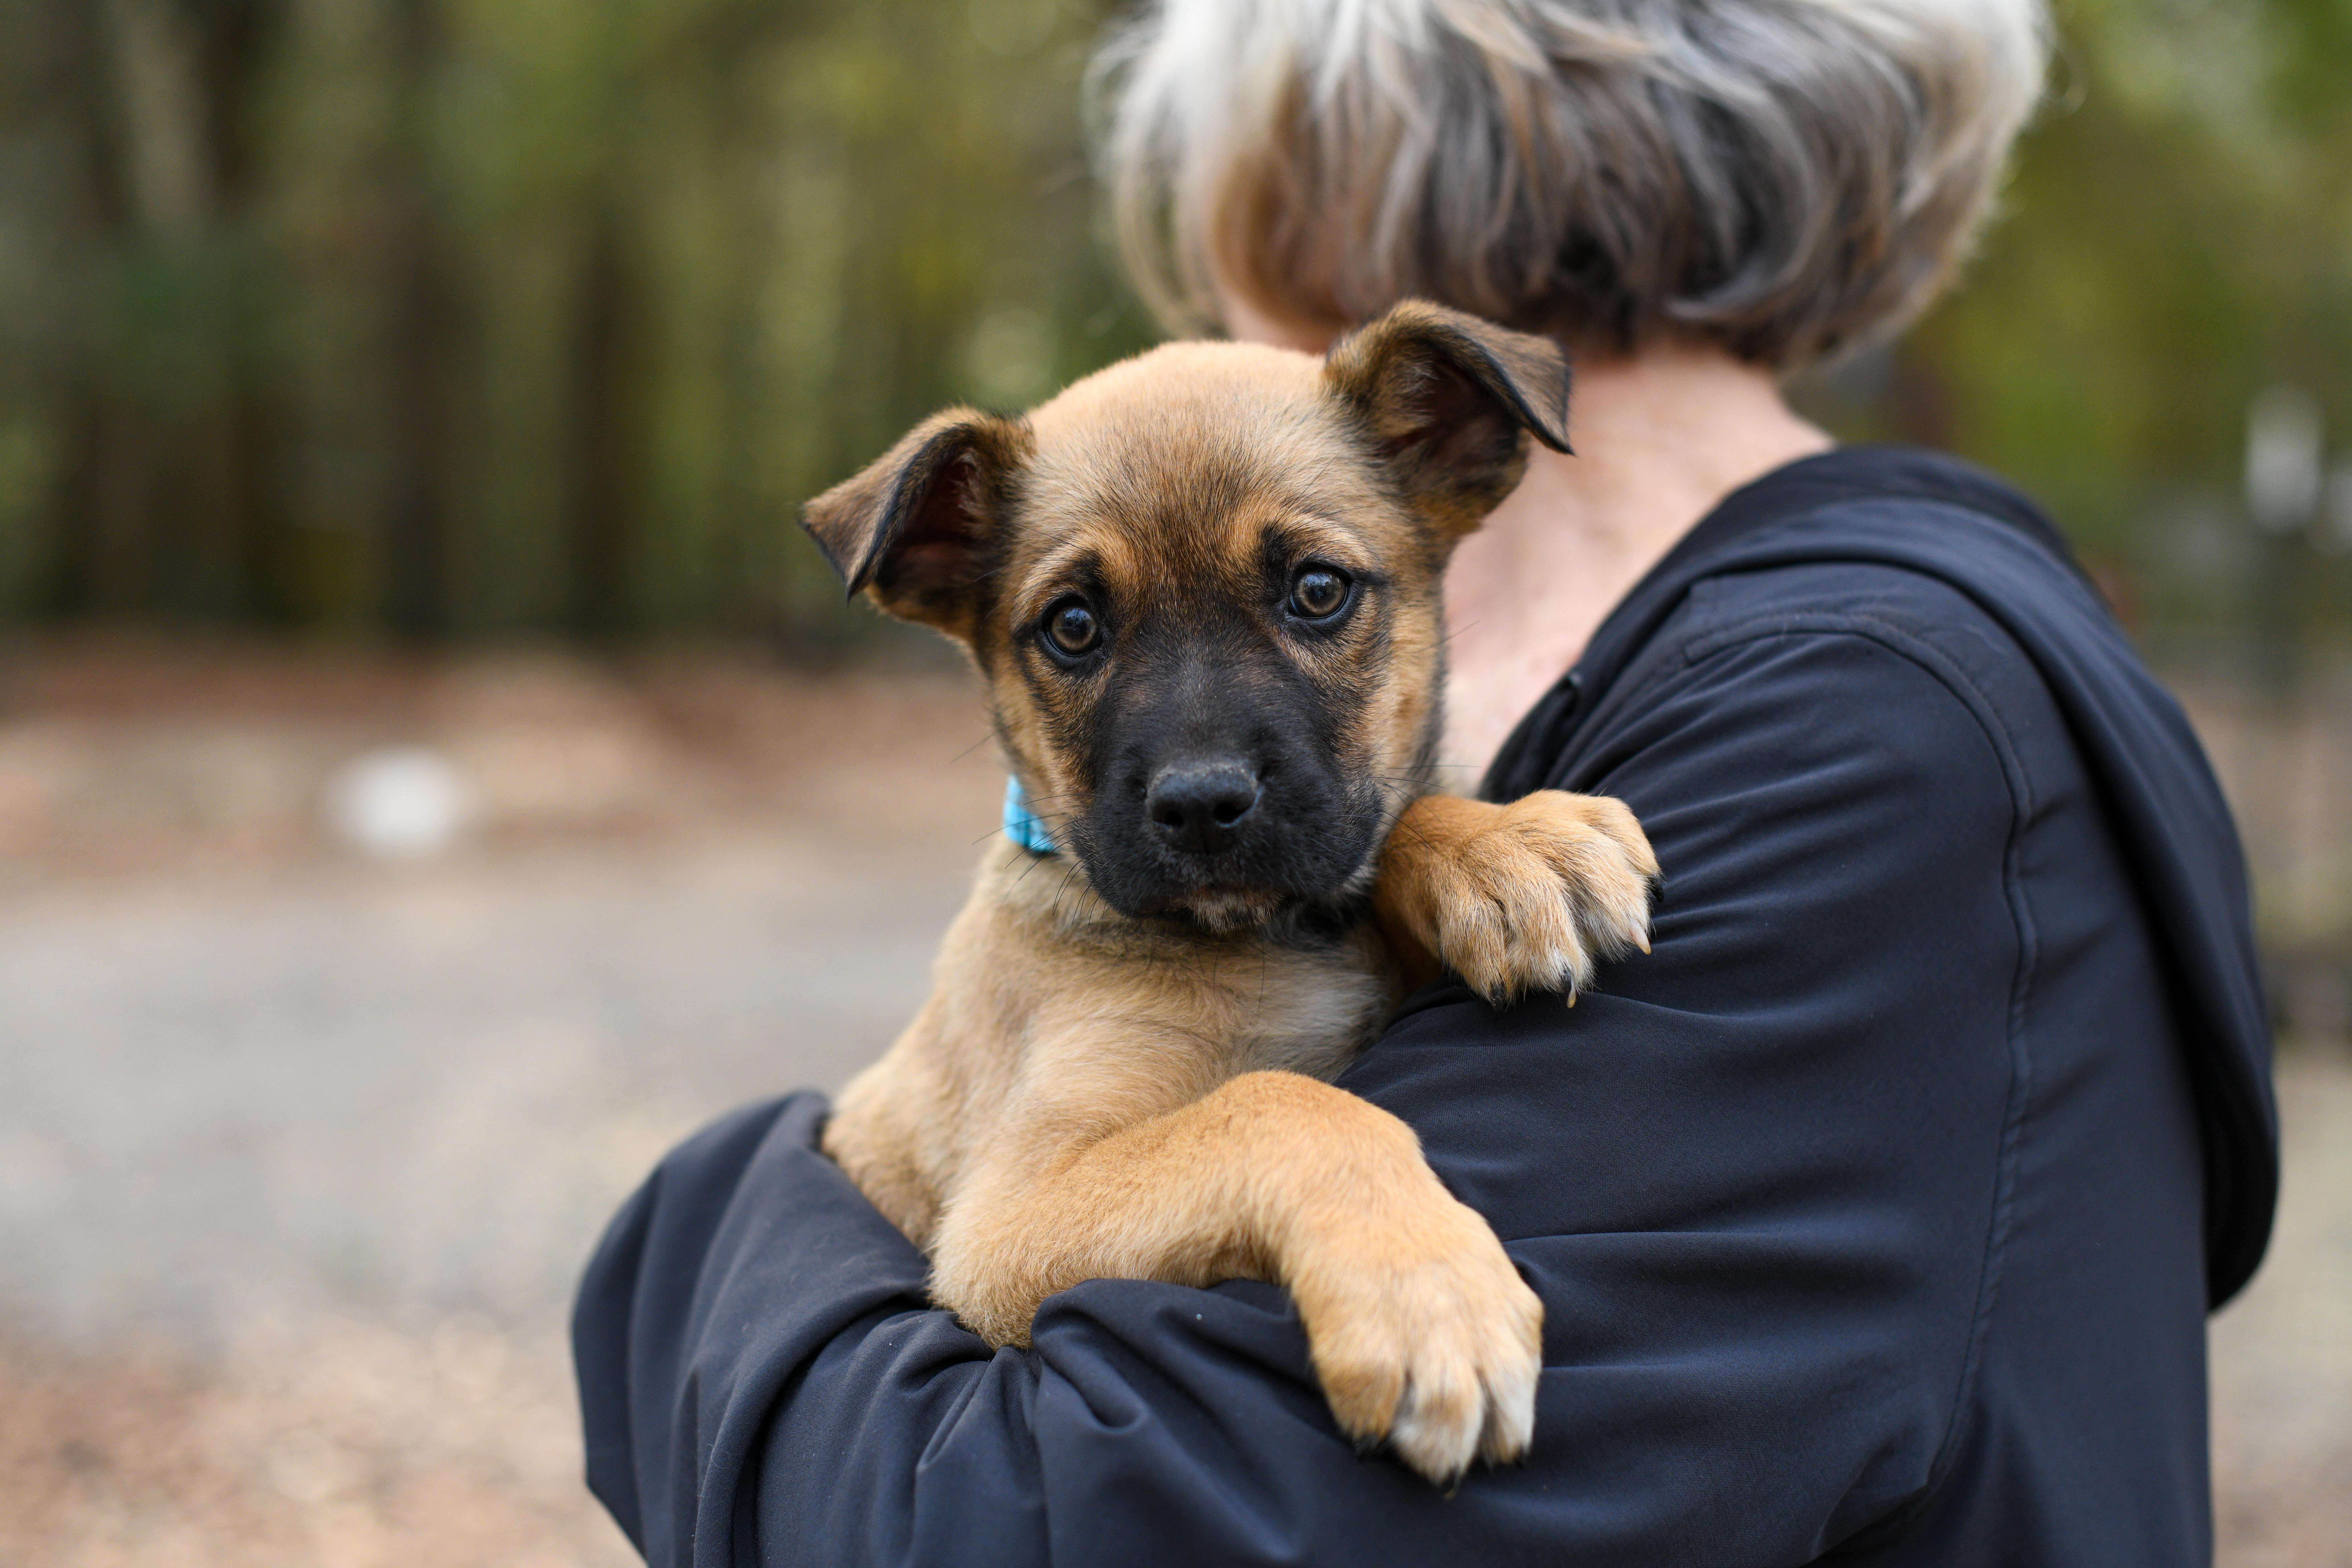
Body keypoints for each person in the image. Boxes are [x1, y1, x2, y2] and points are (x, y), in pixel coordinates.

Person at [572, 1, 2278, 1562]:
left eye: (1309, 596)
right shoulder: (1089, 935)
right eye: (1080, 629)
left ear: (1330, 223)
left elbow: (1026, 1513)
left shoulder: (1857, 740)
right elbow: (1011, 1247)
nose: (1201, 765)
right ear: (938, 579)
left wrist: (703, 1242)